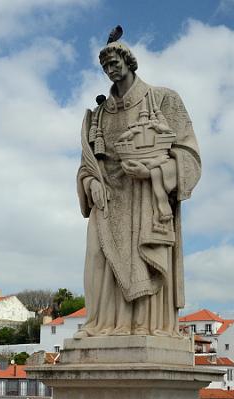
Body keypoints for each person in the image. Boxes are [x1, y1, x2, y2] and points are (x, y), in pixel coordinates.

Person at [75, 27, 201, 338]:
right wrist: (90, 183)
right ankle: (102, 324)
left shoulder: (163, 100)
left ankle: (145, 325)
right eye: (105, 66)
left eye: (114, 62)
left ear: (129, 62)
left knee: (144, 261)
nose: (110, 69)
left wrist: (157, 173)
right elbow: (88, 164)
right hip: (107, 197)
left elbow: (189, 156)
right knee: (97, 259)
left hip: (146, 194)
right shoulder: (100, 114)